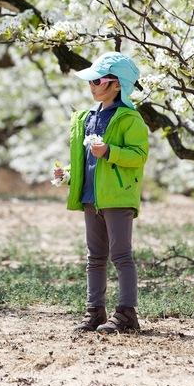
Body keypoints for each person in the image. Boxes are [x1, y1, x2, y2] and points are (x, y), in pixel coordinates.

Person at [53, 51, 149, 333]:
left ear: (117, 84)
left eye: (98, 81)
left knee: (121, 255)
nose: (92, 86)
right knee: (94, 257)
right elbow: (88, 163)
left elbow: (139, 155)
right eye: (91, 81)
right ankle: (95, 311)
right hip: (90, 197)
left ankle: (127, 314)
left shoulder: (130, 119)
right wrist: (68, 177)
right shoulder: (86, 117)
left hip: (117, 197)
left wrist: (110, 151)